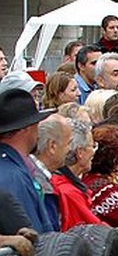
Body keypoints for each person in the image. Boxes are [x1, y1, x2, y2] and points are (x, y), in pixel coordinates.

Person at [0, 89, 56, 233]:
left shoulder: (12, 168)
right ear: (28, 128)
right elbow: (34, 238)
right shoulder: (13, 177)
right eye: (37, 125)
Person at [51, 118, 104, 230]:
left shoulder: (60, 182)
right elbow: (97, 230)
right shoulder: (69, 192)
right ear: (80, 152)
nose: (94, 151)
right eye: (93, 145)